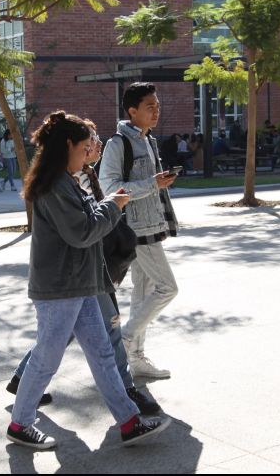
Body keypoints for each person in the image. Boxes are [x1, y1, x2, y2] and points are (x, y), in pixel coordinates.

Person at [7, 111, 170, 450]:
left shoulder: (65, 181)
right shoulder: (55, 186)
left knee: (102, 354)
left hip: (79, 285)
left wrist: (110, 204)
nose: (88, 153)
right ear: (68, 145)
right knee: (47, 358)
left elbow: (85, 227)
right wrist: (114, 205)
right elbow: (82, 232)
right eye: (85, 147)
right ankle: (20, 424)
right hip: (60, 289)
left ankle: (129, 422)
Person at [99, 82, 179, 379]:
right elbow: (110, 187)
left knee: (143, 293)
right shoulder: (118, 143)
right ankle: (127, 337)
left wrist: (159, 184)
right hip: (134, 228)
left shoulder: (149, 140)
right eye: (150, 107)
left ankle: (135, 359)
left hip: (152, 224)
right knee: (168, 287)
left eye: (158, 106)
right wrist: (152, 183)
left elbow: (150, 185)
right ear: (132, 111)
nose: (156, 112)